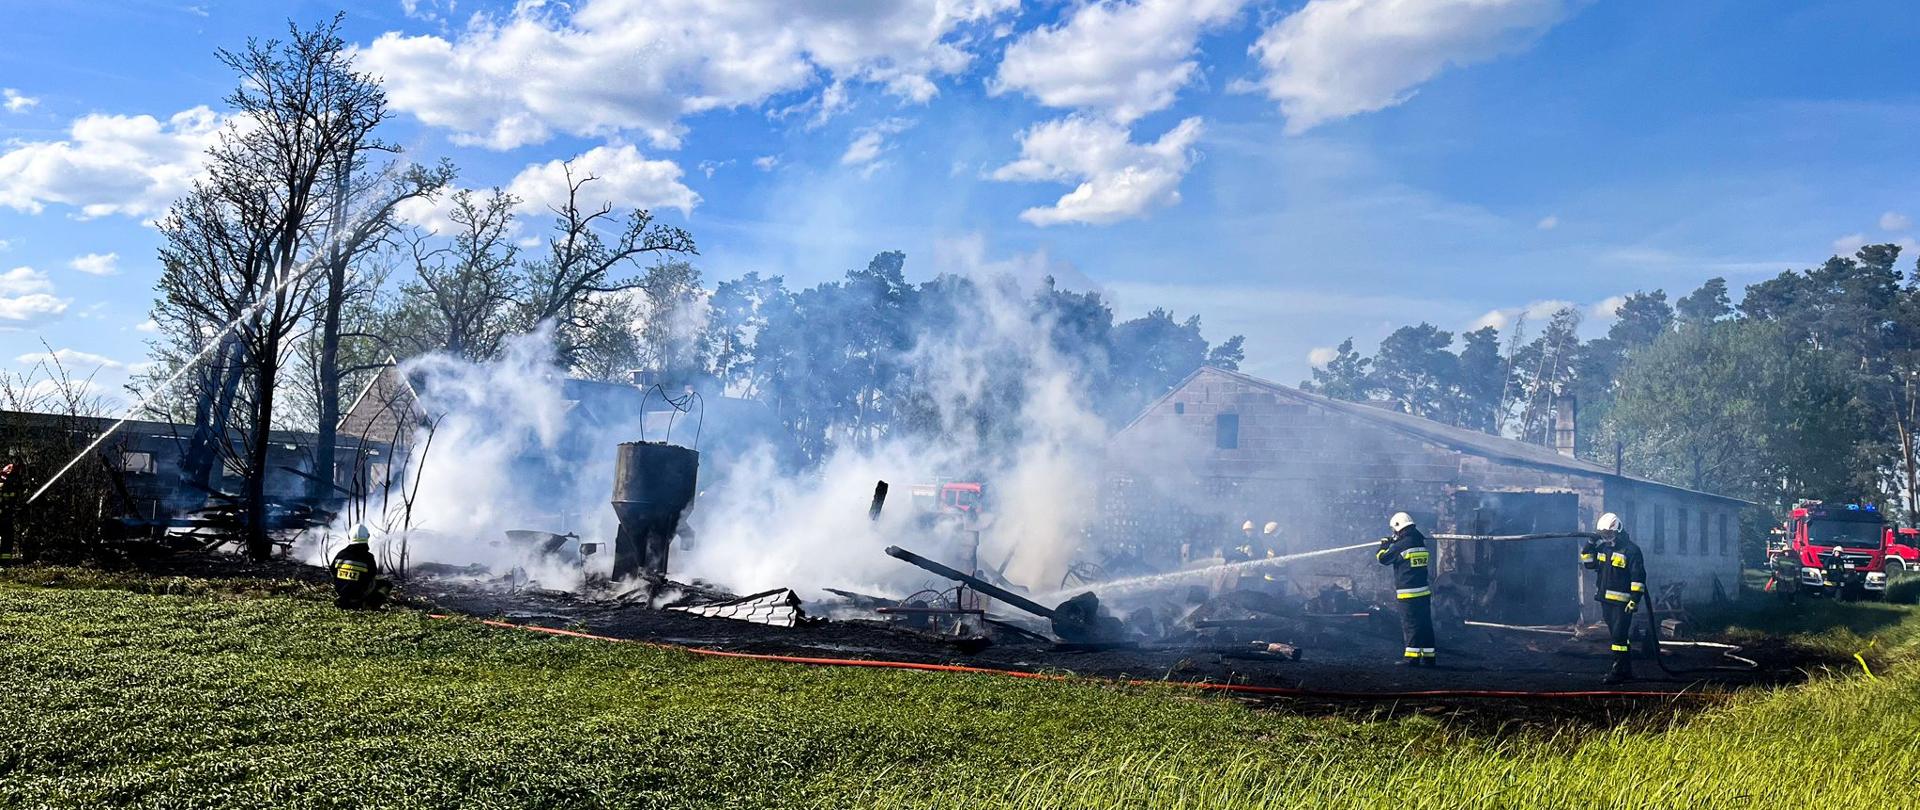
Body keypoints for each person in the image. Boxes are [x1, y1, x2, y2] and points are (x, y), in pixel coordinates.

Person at [1581, 512, 1646, 684]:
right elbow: (1588, 563)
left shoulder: (1632, 550)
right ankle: (1626, 670)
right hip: (1606, 601)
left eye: (1609, 533)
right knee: (1619, 637)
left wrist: (1634, 599)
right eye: (1604, 534)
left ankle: (1618, 672)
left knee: (1618, 637)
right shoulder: (1604, 548)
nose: (1607, 537)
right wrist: (1591, 542)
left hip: (1622, 603)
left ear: (1618, 530)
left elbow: (1638, 577)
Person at [1377, 511, 1436, 666]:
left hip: (1408, 594)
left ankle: (1411, 657)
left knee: (1411, 625)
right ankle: (1429, 657)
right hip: (1423, 591)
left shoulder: (1401, 545)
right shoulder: (1419, 541)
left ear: (1399, 527)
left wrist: (1384, 546)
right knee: (1425, 624)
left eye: (1394, 530)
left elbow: (1383, 559)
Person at [330, 525, 392, 610]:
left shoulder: (341, 554)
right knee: (386, 585)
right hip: (358, 595)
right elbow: (372, 575)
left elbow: (333, 570)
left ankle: (347, 601)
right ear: (367, 537)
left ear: (350, 537)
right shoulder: (368, 557)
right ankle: (371, 604)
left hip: (341, 593)